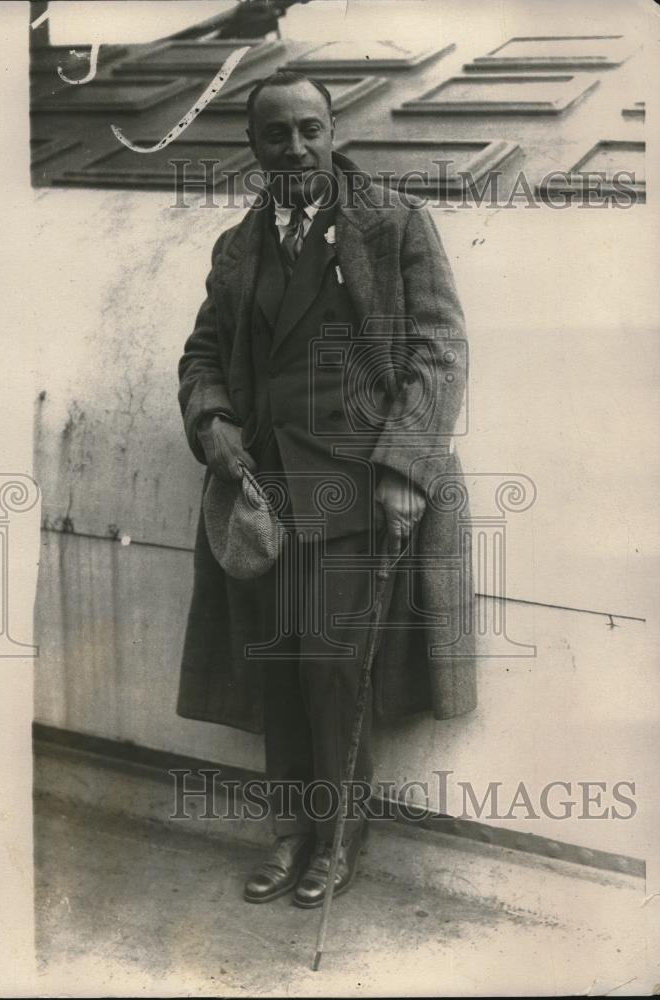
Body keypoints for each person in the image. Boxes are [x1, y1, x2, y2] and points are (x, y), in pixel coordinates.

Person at [177, 71, 476, 908]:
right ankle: (286, 831)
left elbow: (439, 351)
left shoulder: (393, 222)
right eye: (277, 134)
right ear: (254, 145)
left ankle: (336, 843)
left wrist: (404, 469)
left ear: (332, 129)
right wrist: (214, 424)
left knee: (336, 676)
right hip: (262, 495)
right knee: (275, 670)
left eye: (310, 129)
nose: (296, 148)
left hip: (354, 493)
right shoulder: (238, 247)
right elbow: (201, 356)